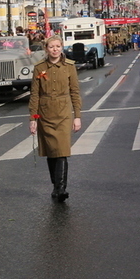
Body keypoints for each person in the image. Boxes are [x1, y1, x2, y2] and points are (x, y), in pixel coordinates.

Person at [29, 35, 82, 201]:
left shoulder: (69, 67)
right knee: (52, 151)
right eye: (51, 47)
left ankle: (61, 188)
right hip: (45, 114)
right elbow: (35, 94)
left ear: (62, 47)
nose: (55, 50)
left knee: (62, 150)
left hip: (64, 113)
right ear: (46, 49)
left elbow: (75, 92)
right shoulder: (39, 68)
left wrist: (77, 116)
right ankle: (55, 185)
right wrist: (33, 118)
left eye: (58, 46)